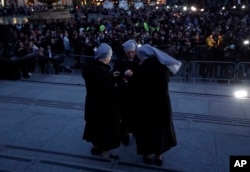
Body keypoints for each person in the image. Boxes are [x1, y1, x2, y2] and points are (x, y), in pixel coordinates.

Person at [133, 44, 182, 166]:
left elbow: (137, 86)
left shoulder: (142, 68)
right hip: (162, 104)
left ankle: (148, 154)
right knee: (161, 130)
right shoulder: (162, 67)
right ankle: (159, 156)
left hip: (147, 105)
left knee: (148, 129)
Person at [82, 43, 120, 159]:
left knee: (94, 126)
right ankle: (105, 153)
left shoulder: (90, 67)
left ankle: (96, 147)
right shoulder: (102, 73)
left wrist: (111, 76)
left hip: (92, 104)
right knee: (106, 129)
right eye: (109, 56)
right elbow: (110, 91)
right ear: (106, 57)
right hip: (104, 108)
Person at [112, 39, 140, 145]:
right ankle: (125, 134)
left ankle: (135, 131)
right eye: (128, 53)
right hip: (123, 93)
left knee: (136, 115)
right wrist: (123, 74)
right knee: (124, 115)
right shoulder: (119, 61)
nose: (131, 54)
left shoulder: (139, 60)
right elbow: (114, 74)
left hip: (135, 93)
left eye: (132, 52)